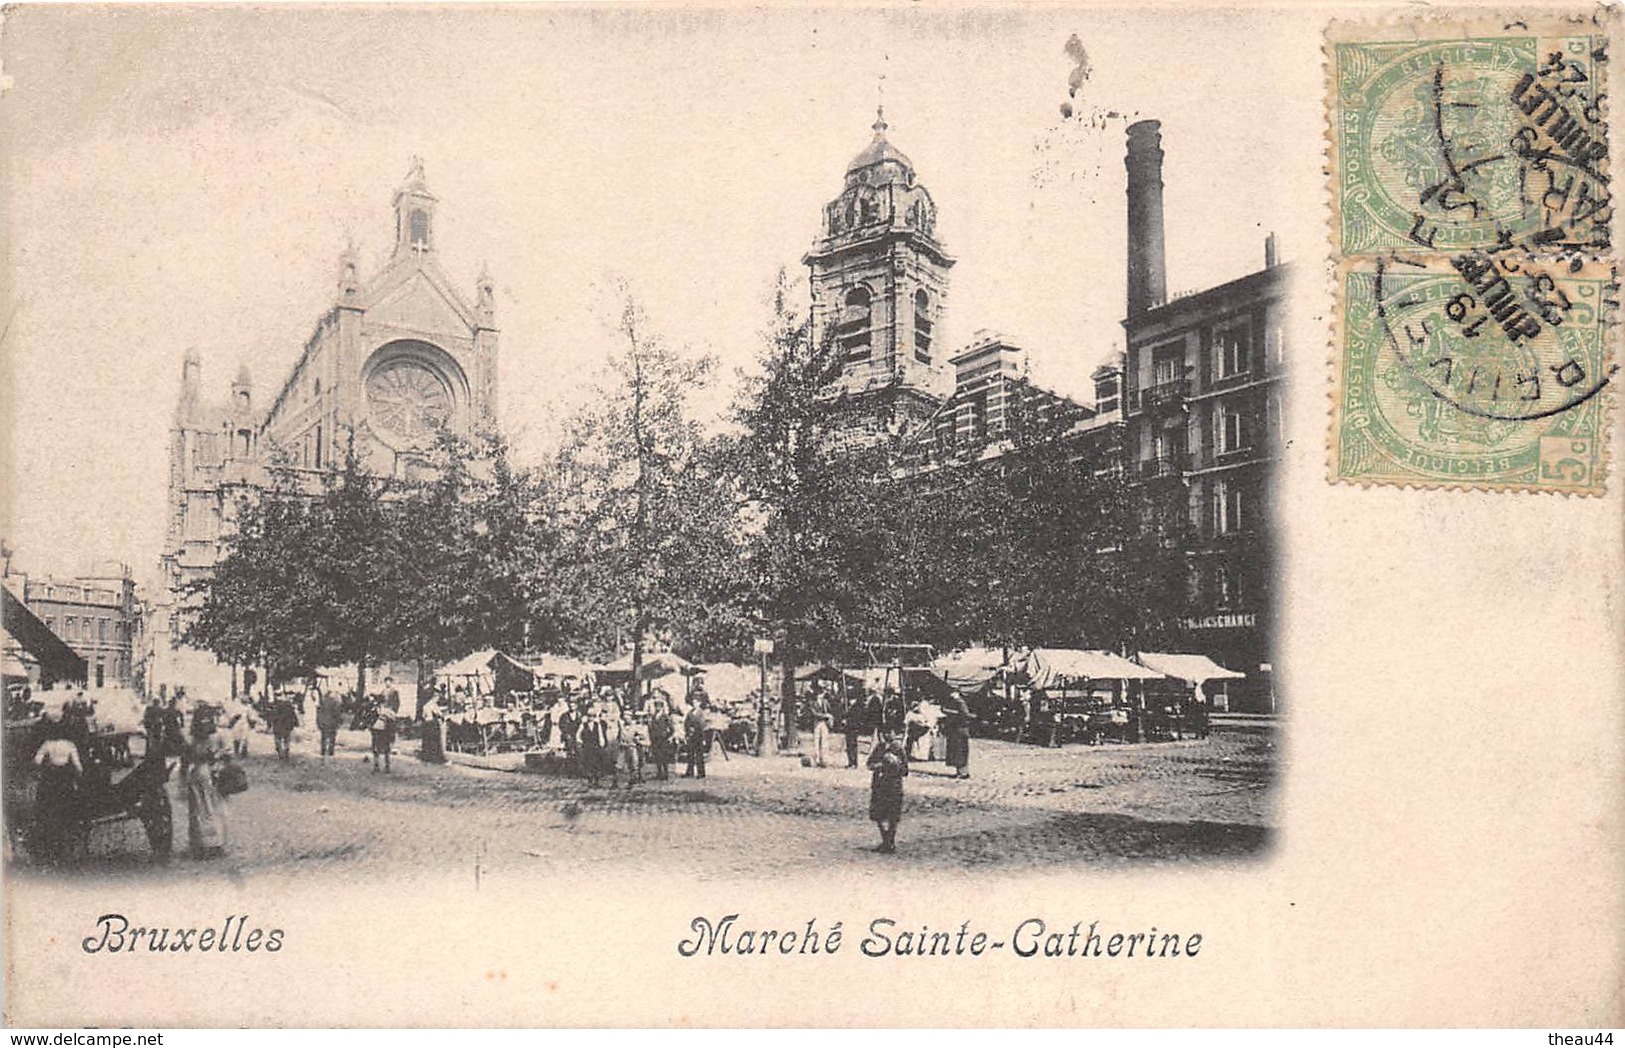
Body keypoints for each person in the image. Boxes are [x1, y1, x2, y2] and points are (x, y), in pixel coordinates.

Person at [31, 722, 85, 864]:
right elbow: (78, 767)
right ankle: (68, 842)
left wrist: (43, 767)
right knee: (68, 810)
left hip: (49, 781)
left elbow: (36, 761)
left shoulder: (47, 744)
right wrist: (77, 778)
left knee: (45, 810)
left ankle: (47, 843)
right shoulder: (70, 745)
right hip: (64, 781)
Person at [184, 717, 228, 859]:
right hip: (208, 774)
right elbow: (224, 755)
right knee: (211, 809)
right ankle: (215, 844)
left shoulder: (192, 741)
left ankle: (199, 845)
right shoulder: (214, 739)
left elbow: (186, 760)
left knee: (197, 810)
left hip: (196, 773)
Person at [866, 727, 908, 854]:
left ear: (895, 733)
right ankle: (886, 840)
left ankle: (890, 842)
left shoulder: (899, 749)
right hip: (879, 786)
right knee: (878, 815)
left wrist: (894, 764)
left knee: (893, 816)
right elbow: (869, 764)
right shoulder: (880, 747)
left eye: (890, 732)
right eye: (885, 732)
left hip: (893, 786)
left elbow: (905, 770)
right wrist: (878, 765)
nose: (887, 734)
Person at [943, 692, 973, 779]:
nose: (951, 694)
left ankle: (963, 773)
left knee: (960, 751)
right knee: (956, 751)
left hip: (960, 730)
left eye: (953, 693)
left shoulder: (960, 703)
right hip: (956, 730)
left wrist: (949, 712)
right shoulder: (955, 702)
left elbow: (965, 715)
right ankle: (959, 772)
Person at [647, 697, 677, 781]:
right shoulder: (653, 717)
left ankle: (666, 774)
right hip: (655, 740)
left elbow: (672, 729)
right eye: (656, 706)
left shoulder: (665, 717)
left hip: (663, 740)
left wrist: (668, 736)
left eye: (659, 707)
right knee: (657, 757)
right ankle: (659, 773)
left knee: (664, 757)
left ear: (662, 708)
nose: (657, 708)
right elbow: (651, 728)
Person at [370, 693, 398, 773]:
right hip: (382, 730)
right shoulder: (388, 711)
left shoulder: (380, 710)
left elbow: (370, 719)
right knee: (383, 748)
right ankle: (384, 766)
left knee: (378, 748)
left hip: (380, 730)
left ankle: (379, 766)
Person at [807, 685, 834, 768]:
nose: (820, 695)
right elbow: (814, 713)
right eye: (819, 693)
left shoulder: (825, 702)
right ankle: (816, 759)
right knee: (816, 741)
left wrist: (829, 716)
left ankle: (824, 760)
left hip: (824, 723)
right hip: (816, 722)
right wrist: (825, 715)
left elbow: (830, 710)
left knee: (824, 741)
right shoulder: (812, 702)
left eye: (821, 693)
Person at [683, 700, 709, 779]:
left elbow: (703, 725)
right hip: (691, 736)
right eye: (693, 702)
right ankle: (689, 772)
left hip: (699, 735)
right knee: (690, 754)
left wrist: (696, 729)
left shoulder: (701, 713)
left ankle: (701, 773)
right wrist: (687, 731)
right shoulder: (690, 712)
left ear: (699, 703)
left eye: (696, 702)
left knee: (699, 755)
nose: (694, 704)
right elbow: (686, 722)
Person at [268, 692, 298, 760]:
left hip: (278, 726)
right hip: (287, 726)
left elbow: (272, 716)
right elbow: (293, 715)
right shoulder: (289, 705)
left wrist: (270, 724)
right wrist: (295, 723)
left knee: (278, 740)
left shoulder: (274, 705)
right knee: (286, 740)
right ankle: (286, 752)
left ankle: (280, 753)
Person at [316, 686, 343, 759]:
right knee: (332, 736)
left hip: (323, 722)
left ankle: (323, 750)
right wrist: (339, 721)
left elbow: (318, 712)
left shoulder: (322, 701)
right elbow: (337, 712)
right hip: (332, 722)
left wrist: (318, 721)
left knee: (323, 736)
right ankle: (331, 751)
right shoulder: (335, 702)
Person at [843, 688, 866, 768]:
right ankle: (851, 762)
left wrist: (847, 719)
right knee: (849, 745)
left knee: (852, 745)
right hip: (849, 727)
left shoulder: (856, 707)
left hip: (853, 727)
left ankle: (853, 762)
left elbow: (856, 718)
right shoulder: (850, 706)